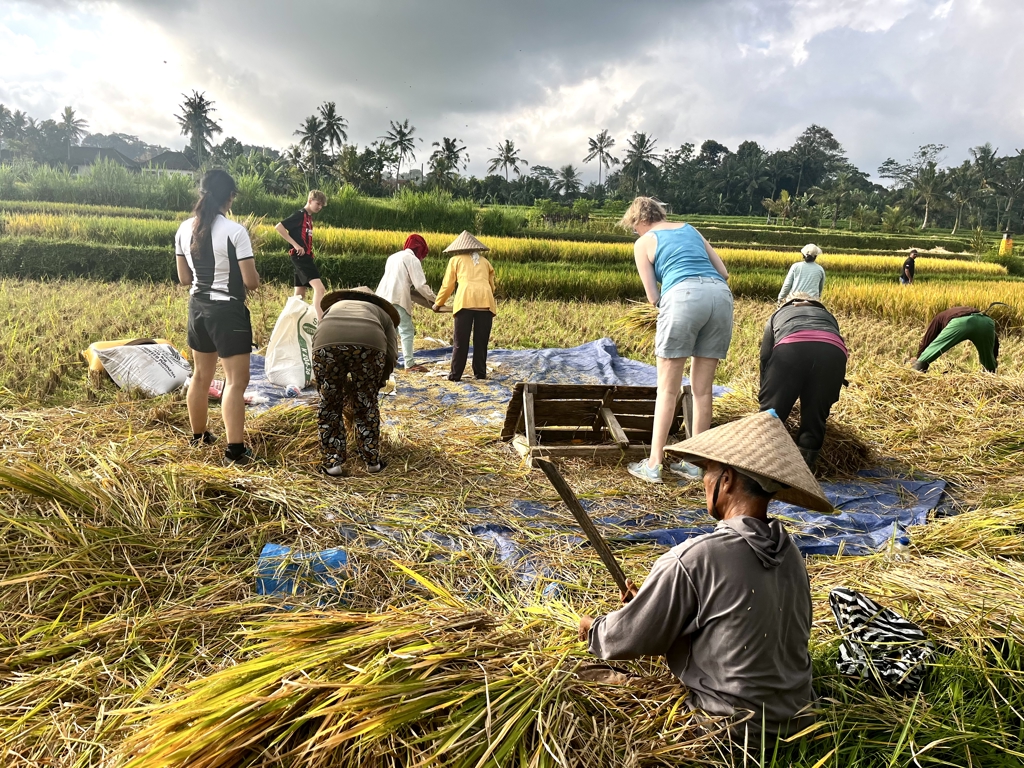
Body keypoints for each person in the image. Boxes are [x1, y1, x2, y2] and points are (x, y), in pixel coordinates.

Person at [579, 410, 829, 745]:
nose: (704, 481)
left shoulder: (696, 557)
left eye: (708, 472)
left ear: (726, 480)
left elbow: (622, 640)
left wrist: (593, 628)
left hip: (734, 732)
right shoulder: (791, 553)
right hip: (799, 722)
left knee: (582, 679)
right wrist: (658, 606)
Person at [619, 196, 733, 484]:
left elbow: (653, 296)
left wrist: (666, 307)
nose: (637, 233)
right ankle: (695, 463)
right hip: (720, 298)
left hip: (683, 297)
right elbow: (724, 272)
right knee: (702, 390)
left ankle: (654, 464)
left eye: (635, 228)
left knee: (668, 390)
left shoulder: (643, 242)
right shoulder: (690, 229)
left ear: (639, 221)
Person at [174, 169, 260, 466]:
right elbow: (251, 282)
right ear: (230, 197)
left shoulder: (184, 229)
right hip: (228, 312)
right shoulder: (236, 232)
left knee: (201, 375)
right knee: (237, 382)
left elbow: (184, 278)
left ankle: (199, 436)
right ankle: (235, 451)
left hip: (198, 308)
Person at [313, 287, 400, 475]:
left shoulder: (334, 307)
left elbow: (318, 338)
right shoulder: (381, 313)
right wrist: (377, 383)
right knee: (366, 403)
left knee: (329, 404)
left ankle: (332, 463)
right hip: (370, 344)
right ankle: (372, 463)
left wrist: (324, 385)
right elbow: (391, 354)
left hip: (327, 344)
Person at [759, 292, 848, 470]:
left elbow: (765, 357)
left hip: (791, 350)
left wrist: (767, 392)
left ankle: (762, 468)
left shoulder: (778, 314)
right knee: (814, 419)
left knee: (770, 416)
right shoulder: (828, 316)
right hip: (833, 354)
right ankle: (802, 474)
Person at [432, 231, 496, 382]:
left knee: (460, 341)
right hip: (486, 302)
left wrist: (438, 303)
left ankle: (455, 375)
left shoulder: (455, 260)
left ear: (459, 248)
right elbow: (492, 286)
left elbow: (448, 285)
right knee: (481, 341)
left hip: (465, 302)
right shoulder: (485, 262)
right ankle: (480, 373)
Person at [375, 233, 439, 373]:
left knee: (391, 330)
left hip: (382, 297)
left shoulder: (393, 257)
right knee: (406, 330)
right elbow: (420, 285)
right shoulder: (412, 259)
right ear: (419, 249)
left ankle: (386, 361)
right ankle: (409, 364)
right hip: (397, 297)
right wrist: (436, 299)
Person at [276, 190, 328, 320]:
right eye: (318, 203)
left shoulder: (309, 218)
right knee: (320, 289)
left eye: (322, 205)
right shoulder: (300, 215)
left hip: (305, 256)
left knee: (299, 295)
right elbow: (279, 227)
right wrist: (296, 245)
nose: (320, 207)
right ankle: (320, 321)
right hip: (300, 257)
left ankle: (291, 321)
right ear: (310, 201)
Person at [912, 305, 1000, 373]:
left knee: (927, 355)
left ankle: (917, 374)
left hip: (961, 322)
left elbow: (927, 339)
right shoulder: (959, 312)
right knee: (989, 364)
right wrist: (993, 358)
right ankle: (989, 380)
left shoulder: (939, 317)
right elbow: (994, 340)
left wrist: (919, 357)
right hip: (986, 321)